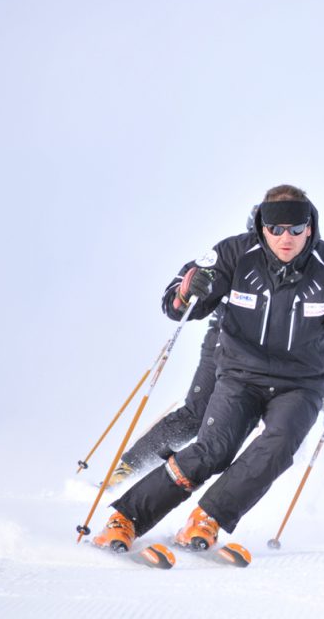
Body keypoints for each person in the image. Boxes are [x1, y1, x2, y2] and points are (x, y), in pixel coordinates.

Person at [92, 185, 324, 552]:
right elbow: (176, 305)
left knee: (277, 448)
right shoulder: (233, 253)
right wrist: (189, 290)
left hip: (302, 382)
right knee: (213, 449)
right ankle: (125, 519)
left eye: (295, 228)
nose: (285, 237)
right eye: (276, 229)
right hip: (241, 374)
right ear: (261, 226)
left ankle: (206, 519)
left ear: (310, 226)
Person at [107, 206, 260, 488]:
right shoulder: (231, 255)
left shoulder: (302, 264)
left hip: (273, 358)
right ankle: (130, 468)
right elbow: (179, 294)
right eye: (262, 234)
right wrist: (186, 293)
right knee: (197, 413)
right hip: (225, 342)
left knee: (268, 424)